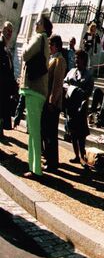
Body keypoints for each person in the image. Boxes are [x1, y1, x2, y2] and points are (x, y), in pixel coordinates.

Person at [20, 16, 52, 177]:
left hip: (34, 88)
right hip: (37, 90)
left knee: (34, 131)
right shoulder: (44, 39)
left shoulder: (39, 37)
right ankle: (33, 167)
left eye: (38, 23)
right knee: (33, 130)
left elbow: (25, 54)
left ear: (43, 27)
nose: (35, 24)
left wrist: (26, 42)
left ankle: (36, 169)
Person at [63, 50, 94, 165]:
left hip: (80, 109)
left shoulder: (88, 75)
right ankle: (76, 155)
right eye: (75, 58)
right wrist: (68, 88)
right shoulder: (71, 72)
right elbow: (64, 82)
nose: (76, 60)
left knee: (81, 136)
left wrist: (76, 90)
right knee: (73, 134)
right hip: (70, 107)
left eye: (78, 58)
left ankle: (83, 157)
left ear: (84, 60)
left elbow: (88, 92)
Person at [41, 35, 67, 171]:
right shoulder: (52, 58)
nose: (49, 47)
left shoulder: (59, 60)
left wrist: (52, 101)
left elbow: (57, 84)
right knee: (46, 132)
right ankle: (49, 158)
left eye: (51, 44)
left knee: (51, 134)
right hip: (47, 101)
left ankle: (52, 162)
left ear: (56, 45)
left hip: (53, 104)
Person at [1, 22, 18, 147]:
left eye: (11, 31)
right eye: (7, 30)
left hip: (4, 90)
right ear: (2, 29)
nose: (9, 33)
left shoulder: (7, 49)